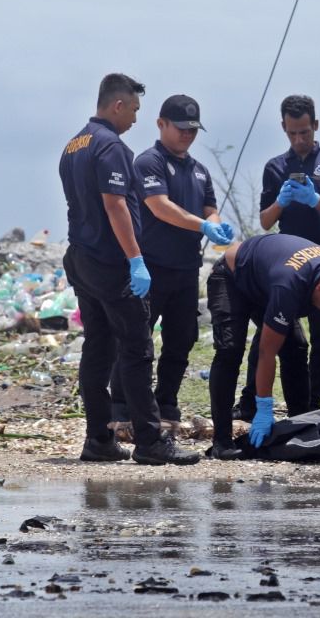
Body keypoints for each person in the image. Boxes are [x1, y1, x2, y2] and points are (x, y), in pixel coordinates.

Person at [58, 73, 199, 465]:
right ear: (117, 105)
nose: (136, 118)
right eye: (134, 109)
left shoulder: (74, 144)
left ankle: (98, 440)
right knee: (137, 349)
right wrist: (136, 259)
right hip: (110, 262)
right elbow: (115, 205)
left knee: (98, 348)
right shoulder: (110, 146)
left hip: (81, 258)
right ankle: (151, 442)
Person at [106, 95, 233, 439]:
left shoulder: (200, 170)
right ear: (161, 124)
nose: (187, 135)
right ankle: (121, 409)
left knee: (182, 338)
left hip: (185, 269)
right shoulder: (149, 162)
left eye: (193, 130)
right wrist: (203, 225)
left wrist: (216, 224)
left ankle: (166, 405)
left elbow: (210, 207)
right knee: (137, 339)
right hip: (152, 267)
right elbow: (159, 206)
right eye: (180, 129)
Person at [235, 95, 320, 418]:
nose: (299, 139)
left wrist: (316, 199)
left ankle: (311, 403)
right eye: (292, 133)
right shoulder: (275, 167)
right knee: (268, 334)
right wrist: (282, 201)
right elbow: (264, 220)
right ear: (283, 129)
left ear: (315, 125)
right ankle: (249, 401)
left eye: (305, 132)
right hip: (286, 268)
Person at [205, 234, 320, 460]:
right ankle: (221, 440)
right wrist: (265, 407)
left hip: (265, 282)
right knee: (230, 350)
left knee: (296, 347)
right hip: (231, 277)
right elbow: (267, 352)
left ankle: (300, 423)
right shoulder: (290, 284)